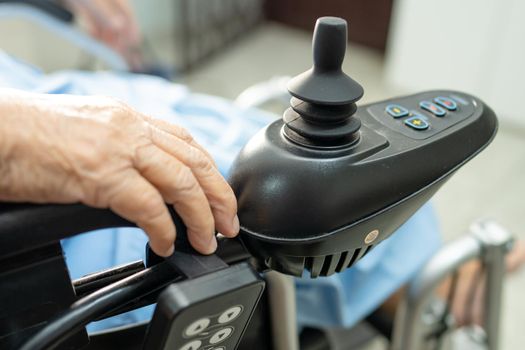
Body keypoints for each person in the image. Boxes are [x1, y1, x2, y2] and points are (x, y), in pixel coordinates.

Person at [1, 0, 524, 336]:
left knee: (189, 119)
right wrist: (19, 136)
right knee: (262, 192)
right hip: (29, 212)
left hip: (28, 87)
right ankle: (423, 286)